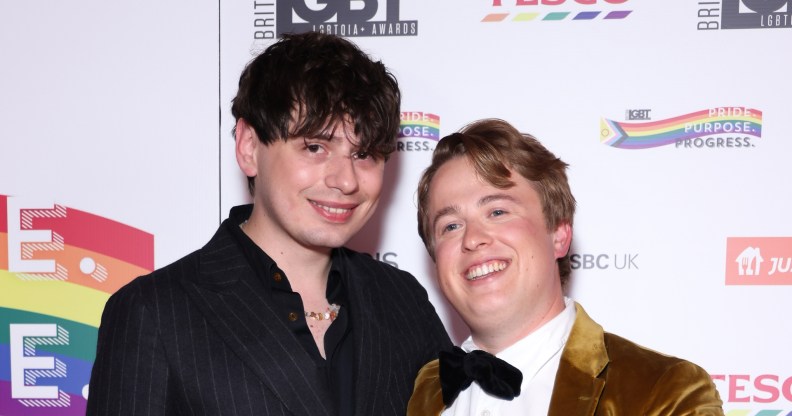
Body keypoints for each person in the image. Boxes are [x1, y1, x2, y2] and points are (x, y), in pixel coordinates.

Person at [87, 32, 451, 416]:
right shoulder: (154, 312)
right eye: (315, 147)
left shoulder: (401, 299)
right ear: (248, 148)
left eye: (364, 154)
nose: (346, 181)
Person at [407, 119, 724, 415]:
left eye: (498, 211)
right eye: (450, 226)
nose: (473, 239)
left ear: (559, 234)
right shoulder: (423, 390)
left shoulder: (664, 390)